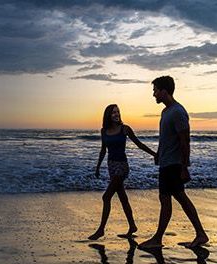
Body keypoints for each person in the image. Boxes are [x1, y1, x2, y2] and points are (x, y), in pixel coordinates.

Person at [138, 76, 209, 249]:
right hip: (166, 161)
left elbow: (185, 141)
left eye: (155, 90)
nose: (154, 94)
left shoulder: (178, 111)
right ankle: (200, 234)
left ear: (164, 91)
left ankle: (159, 238)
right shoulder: (166, 112)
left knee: (169, 199)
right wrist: (159, 154)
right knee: (175, 198)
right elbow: (166, 138)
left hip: (174, 164)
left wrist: (184, 168)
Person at [88, 104, 156, 240]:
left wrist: (154, 154)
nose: (116, 114)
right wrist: (97, 167)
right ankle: (132, 226)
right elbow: (103, 150)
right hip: (111, 166)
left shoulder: (125, 129)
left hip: (122, 166)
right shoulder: (104, 131)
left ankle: (101, 230)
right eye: (113, 112)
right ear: (108, 115)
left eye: (118, 112)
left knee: (106, 197)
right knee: (122, 197)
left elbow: (139, 144)